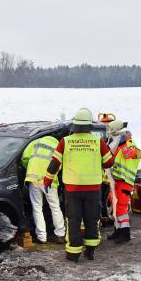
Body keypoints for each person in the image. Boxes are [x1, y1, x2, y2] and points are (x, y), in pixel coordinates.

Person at [44, 108, 114, 262]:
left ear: (74, 126)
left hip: (73, 189)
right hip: (94, 189)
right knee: (91, 219)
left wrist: (47, 180)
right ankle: (90, 251)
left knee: (74, 220)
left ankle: (73, 254)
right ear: (89, 126)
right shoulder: (98, 142)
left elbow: (54, 164)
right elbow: (109, 162)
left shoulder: (65, 142)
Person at [22, 135, 65, 244]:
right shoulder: (58, 145)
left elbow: (25, 158)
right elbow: (60, 165)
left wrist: (29, 168)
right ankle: (60, 234)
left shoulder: (36, 142)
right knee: (55, 206)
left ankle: (42, 237)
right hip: (49, 179)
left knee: (37, 208)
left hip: (34, 177)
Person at [106, 119, 141, 243]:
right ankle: (118, 230)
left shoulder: (128, 142)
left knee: (121, 207)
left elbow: (130, 154)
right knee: (115, 206)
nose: (110, 134)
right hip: (117, 180)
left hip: (125, 181)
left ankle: (125, 233)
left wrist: (122, 143)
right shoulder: (117, 142)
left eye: (111, 132)